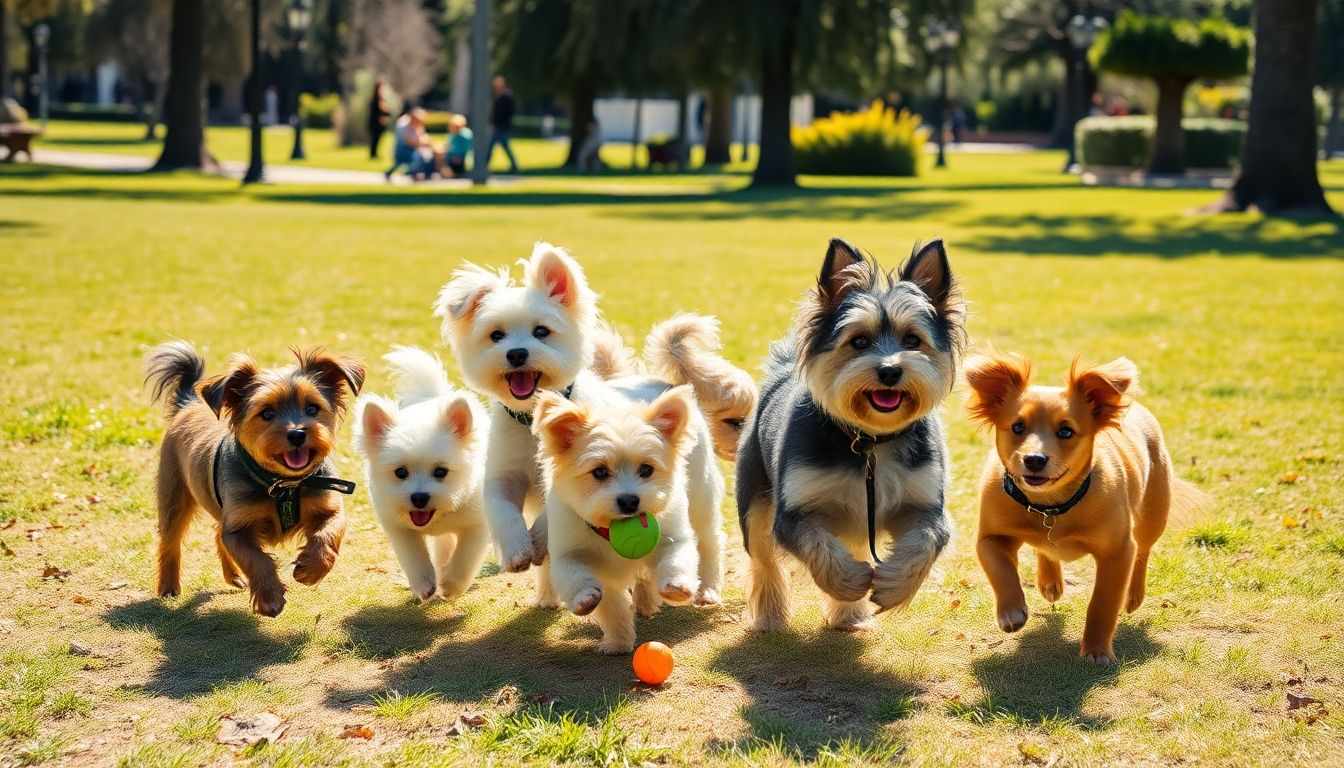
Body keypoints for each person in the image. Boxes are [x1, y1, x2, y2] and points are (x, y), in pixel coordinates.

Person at [385, 107, 428, 181]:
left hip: (411, 147)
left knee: (415, 159)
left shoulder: (416, 125)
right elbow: (409, 141)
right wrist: (420, 143)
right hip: (402, 148)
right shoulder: (403, 124)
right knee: (403, 161)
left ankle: (413, 173)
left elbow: (422, 135)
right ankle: (413, 173)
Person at [489, 75, 519, 173]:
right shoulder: (496, 97)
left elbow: (510, 112)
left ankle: (514, 165)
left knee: (503, 146)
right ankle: (484, 164)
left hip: (503, 126)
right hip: (496, 126)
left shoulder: (507, 97)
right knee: (491, 146)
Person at [368, 81, 390, 159]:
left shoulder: (379, 98)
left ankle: (374, 154)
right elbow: (380, 110)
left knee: (377, 139)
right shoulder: (377, 98)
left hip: (378, 122)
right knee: (375, 139)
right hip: (376, 123)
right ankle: (373, 154)